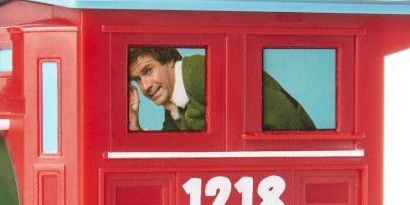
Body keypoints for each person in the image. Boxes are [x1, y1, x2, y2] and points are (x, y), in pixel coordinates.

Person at [128, 46, 316, 132]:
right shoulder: (173, 102)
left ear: (170, 61)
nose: (145, 86)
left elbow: (278, 108)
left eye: (148, 71)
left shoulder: (197, 73)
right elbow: (167, 151)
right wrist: (134, 126)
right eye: (137, 79)